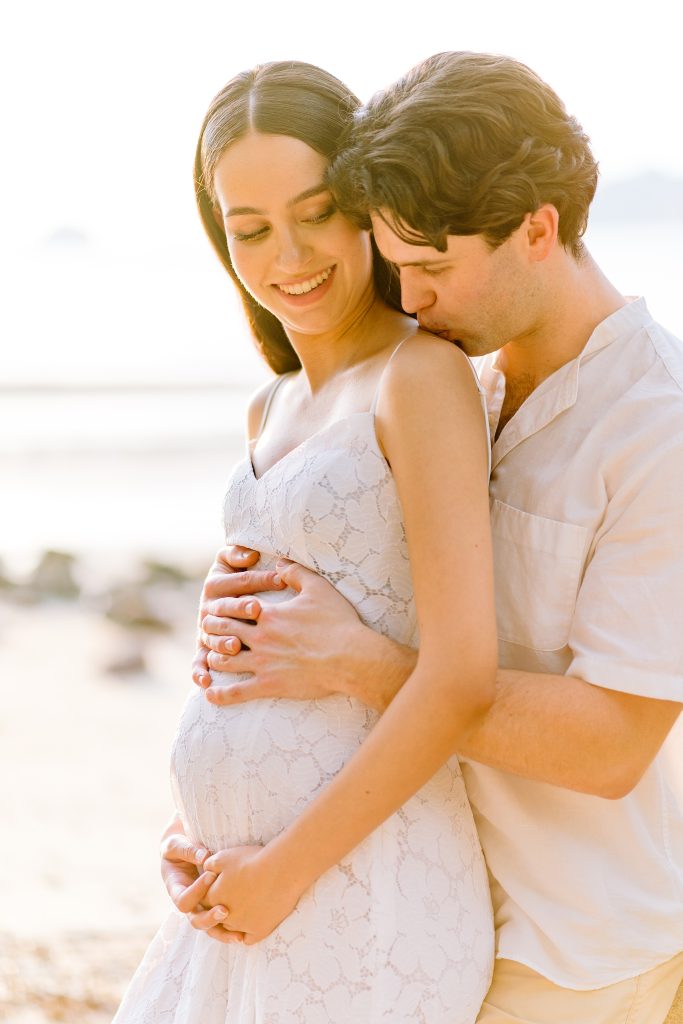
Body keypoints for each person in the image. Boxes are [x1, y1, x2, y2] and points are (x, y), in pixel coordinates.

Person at [169, 52, 683, 1024]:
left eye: (431, 268)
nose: (405, 300)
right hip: (437, 895)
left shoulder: (655, 425)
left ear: (536, 229)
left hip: (577, 939)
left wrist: (359, 662)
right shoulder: (469, 380)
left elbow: (614, 743)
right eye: (394, 262)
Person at [113, 60, 499, 1023]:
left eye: (317, 211)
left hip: (361, 882)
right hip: (241, 886)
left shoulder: (420, 380)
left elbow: (459, 676)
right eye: (249, 231)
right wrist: (192, 828)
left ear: (365, 204)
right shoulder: (269, 406)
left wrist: (284, 869)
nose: (288, 255)